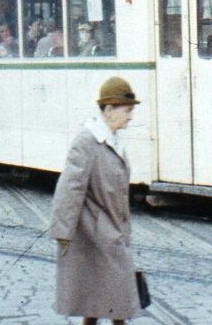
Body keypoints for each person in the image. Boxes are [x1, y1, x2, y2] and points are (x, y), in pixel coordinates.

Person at [50, 77, 143, 325]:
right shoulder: (87, 141)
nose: (131, 117)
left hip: (111, 231)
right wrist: (63, 233)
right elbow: (69, 189)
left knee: (101, 297)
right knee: (117, 298)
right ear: (109, 109)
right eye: (127, 110)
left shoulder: (112, 141)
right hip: (95, 235)